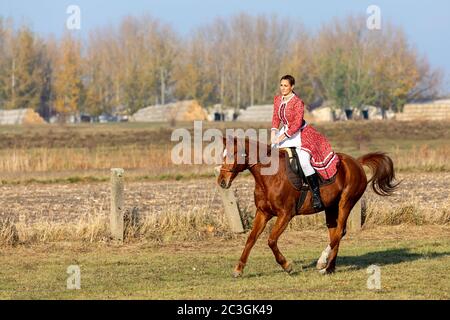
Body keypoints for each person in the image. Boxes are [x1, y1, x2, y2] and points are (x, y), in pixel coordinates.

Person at [271, 75, 340, 211]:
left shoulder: (298, 102)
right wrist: (274, 131)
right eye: (281, 85)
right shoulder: (278, 99)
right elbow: (275, 117)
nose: (283, 88)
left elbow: (296, 124)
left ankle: (316, 196)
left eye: (286, 86)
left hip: (300, 134)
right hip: (283, 131)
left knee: (303, 161)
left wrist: (282, 136)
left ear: (292, 87)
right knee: (272, 155)